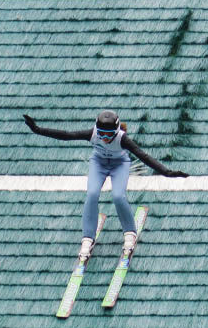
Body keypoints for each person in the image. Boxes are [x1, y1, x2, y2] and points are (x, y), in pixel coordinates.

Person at [24, 110, 188, 260]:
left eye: (108, 134)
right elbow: (67, 135)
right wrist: (38, 129)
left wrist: (166, 172)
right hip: (99, 163)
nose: (104, 137)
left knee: (118, 196)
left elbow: (143, 156)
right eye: (101, 133)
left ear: (116, 132)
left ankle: (130, 233)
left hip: (119, 164)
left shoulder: (122, 139)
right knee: (92, 194)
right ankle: (87, 238)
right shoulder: (93, 134)